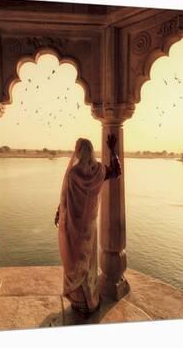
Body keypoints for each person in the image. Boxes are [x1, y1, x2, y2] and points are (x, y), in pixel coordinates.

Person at [54, 134, 121, 315]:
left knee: (73, 260)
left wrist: (59, 213)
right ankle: (90, 300)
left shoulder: (73, 173)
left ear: (78, 152)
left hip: (73, 227)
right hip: (89, 228)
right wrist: (112, 150)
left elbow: (65, 198)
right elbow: (117, 171)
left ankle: (78, 302)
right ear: (91, 152)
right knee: (88, 262)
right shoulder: (99, 170)